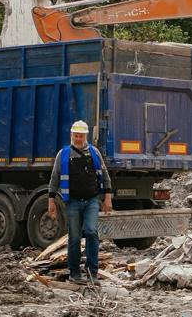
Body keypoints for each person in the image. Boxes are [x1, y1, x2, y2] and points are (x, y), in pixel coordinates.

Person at [47, 120, 113, 284]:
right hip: (73, 202)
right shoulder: (63, 155)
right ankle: (74, 273)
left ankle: (92, 273)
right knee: (75, 237)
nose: (78, 138)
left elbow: (104, 175)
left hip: (91, 200)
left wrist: (107, 197)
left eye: (81, 136)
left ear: (85, 136)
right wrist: (51, 201)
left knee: (91, 231)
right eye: (75, 136)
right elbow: (54, 178)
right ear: (72, 136)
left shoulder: (94, 153)